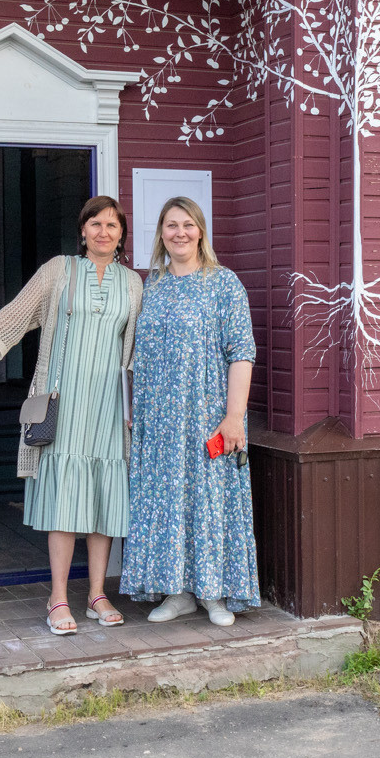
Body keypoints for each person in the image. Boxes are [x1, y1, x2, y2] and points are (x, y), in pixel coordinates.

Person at [0, 196, 142, 635]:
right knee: (65, 498)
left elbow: (137, 350)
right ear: (82, 230)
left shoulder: (133, 284)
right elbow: (15, 315)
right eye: (95, 224)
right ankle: (58, 597)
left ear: (122, 234)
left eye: (112, 225)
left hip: (108, 406)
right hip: (62, 402)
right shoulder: (58, 270)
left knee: (104, 498)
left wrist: (136, 406)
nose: (104, 232)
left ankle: (98, 594)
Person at [123, 196, 259, 626]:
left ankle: (215, 594)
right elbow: (138, 355)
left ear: (201, 231)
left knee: (211, 499)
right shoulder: (152, 285)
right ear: (160, 234)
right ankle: (178, 592)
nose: (179, 232)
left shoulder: (223, 283)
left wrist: (234, 415)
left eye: (187, 224)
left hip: (209, 415)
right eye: (170, 226)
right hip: (161, 421)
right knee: (167, 502)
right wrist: (136, 410)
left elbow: (242, 352)